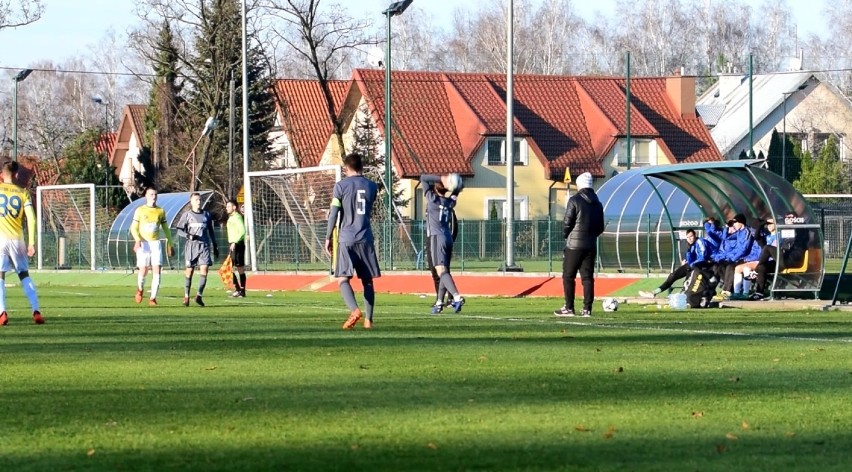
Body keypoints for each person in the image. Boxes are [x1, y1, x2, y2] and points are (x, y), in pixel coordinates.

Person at [324, 152, 381, 329]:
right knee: (367, 281)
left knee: (342, 279)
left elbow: (334, 212)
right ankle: (369, 320)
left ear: (346, 168)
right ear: (361, 167)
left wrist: (327, 237)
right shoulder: (372, 186)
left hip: (347, 238)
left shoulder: (340, 186)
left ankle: (355, 310)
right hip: (365, 237)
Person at [554, 172, 604, 317]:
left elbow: (567, 222)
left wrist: (565, 235)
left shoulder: (574, 200)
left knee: (568, 276)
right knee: (587, 277)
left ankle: (569, 307)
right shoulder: (598, 203)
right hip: (591, 245)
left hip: (574, 245)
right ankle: (587, 309)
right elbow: (600, 226)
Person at [0, 161, 44, 325]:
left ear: (2, 174)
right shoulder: (23, 193)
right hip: (17, 240)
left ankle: (2, 312)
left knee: (0, 276)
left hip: (1, 240)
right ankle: (36, 310)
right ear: (16, 174)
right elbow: (31, 218)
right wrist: (31, 242)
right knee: (24, 274)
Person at [421, 174, 465, 314]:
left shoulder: (432, 199)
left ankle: (456, 297)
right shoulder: (449, 202)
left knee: (440, 271)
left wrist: (441, 179)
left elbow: (423, 178)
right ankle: (439, 302)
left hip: (436, 237)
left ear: (435, 188)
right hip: (448, 237)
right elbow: (457, 192)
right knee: (443, 270)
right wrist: (456, 186)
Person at [130, 187, 174, 306]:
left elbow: (166, 229)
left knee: (157, 270)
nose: (153, 196)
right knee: (143, 270)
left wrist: (170, 243)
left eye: (155, 194)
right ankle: (140, 289)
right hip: (144, 243)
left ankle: (153, 298)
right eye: (151, 194)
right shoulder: (140, 210)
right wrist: (137, 240)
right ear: (146, 196)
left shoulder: (160, 211)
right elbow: (133, 228)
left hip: (155, 243)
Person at [639, 229, 711, 298]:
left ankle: (685, 296)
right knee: (673, 276)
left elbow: (703, 256)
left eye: (691, 236)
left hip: (699, 266)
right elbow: (690, 258)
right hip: (691, 265)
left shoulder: (700, 241)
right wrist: (686, 260)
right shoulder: (690, 246)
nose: (690, 239)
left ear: (695, 235)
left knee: (687, 282)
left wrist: (691, 263)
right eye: (688, 237)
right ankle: (654, 292)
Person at [175, 193, 219, 307]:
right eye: (196, 200)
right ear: (191, 202)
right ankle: (186, 296)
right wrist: (188, 235)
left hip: (204, 246)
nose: (199, 202)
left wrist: (215, 244)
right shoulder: (187, 215)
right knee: (189, 271)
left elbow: (211, 231)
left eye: (200, 199)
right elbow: (179, 230)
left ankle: (199, 295)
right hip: (191, 246)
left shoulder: (206, 215)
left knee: (204, 270)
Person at [426, 204, 458, 313]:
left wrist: (450, 239)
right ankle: (439, 300)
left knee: (443, 271)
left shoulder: (447, 208)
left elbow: (454, 226)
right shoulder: (430, 207)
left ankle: (453, 297)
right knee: (435, 272)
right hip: (432, 241)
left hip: (441, 240)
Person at [225, 199, 247, 297]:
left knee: (238, 268)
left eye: (229, 206)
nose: (227, 208)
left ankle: (240, 290)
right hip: (233, 245)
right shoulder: (231, 217)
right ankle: (239, 290)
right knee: (229, 268)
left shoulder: (237, 217)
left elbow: (242, 231)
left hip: (237, 245)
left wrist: (235, 242)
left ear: (234, 207)